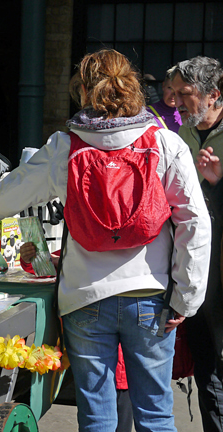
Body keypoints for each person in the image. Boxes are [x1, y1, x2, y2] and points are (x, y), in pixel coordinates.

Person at [0, 49, 211, 431]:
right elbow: (195, 222)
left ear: (84, 91)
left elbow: (9, 192)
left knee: (96, 415)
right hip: (150, 296)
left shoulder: (65, 146)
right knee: (157, 414)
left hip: (85, 298)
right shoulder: (165, 143)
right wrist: (186, 298)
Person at [20, 242, 134, 432]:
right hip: (94, 358)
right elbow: (46, 266)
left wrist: (62, 262)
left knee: (109, 417)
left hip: (115, 363)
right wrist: (30, 258)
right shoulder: (82, 238)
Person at [171, 56, 223, 432]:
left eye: (185, 94)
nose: (175, 102)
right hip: (197, 266)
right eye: (173, 93)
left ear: (214, 95)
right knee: (207, 364)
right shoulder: (182, 135)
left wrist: (217, 184)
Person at [146, 67, 182, 133]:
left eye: (178, 89)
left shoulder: (187, 114)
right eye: (170, 88)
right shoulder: (148, 114)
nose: (173, 94)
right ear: (163, 86)